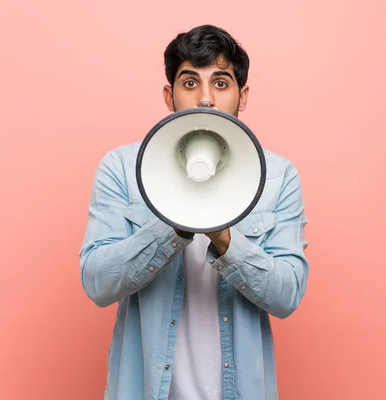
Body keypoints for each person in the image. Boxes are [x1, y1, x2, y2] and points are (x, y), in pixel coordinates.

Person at [79, 24, 309, 400]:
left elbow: (287, 295)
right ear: (169, 96)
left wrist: (226, 239)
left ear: (243, 95)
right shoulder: (121, 167)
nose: (205, 99)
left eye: (221, 83)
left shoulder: (279, 176)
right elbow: (97, 283)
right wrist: (172, 227)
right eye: (190, 83)